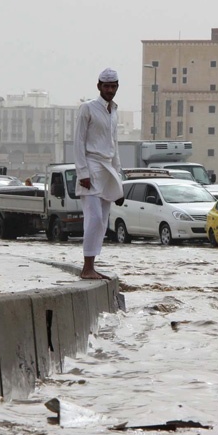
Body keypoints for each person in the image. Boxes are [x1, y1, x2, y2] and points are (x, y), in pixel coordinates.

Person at [74, 68, 124, 280]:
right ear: (99, 86)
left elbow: (114, 145)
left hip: (108, 169)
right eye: (106, 86)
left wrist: (119, 179)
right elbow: (78, 141)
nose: (110, 90)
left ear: (117, 87)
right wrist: (82, 172)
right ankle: (86, 267)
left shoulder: (114, 111)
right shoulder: (87, 108)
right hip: (91, 167)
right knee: (93, 218)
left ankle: (91, 266)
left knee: (103, 220)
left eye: (113, 87)